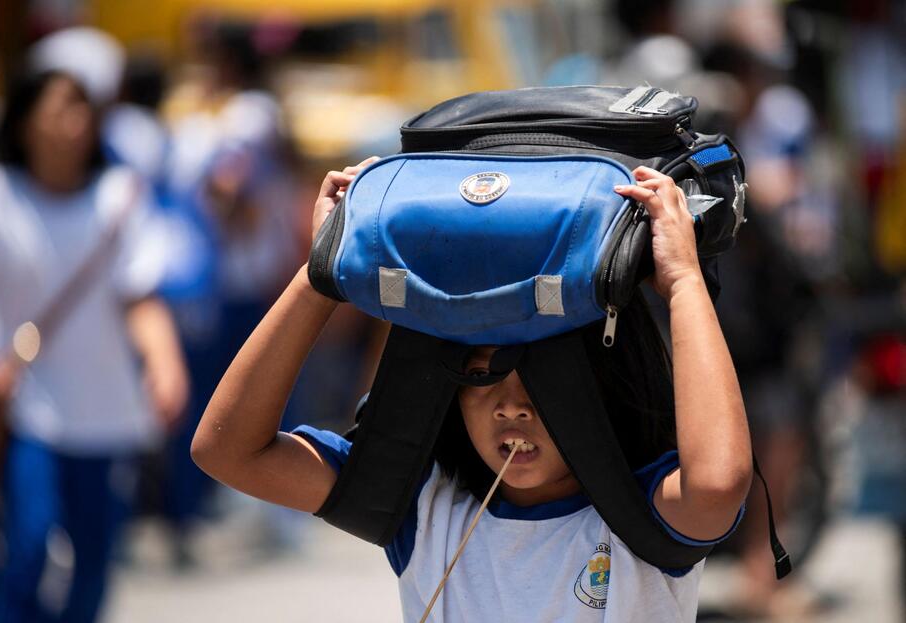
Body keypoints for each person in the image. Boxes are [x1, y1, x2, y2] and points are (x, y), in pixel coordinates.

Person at [191, 159, 753, 621]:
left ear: (600, 387)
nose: (512, 406)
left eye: (541, 382)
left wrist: (682, 282)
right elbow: (227, 451)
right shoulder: (424, 509)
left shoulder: (641, 522)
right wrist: (320, 275)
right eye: (481, 377)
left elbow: (719, 484)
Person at [0, 69, 188, 623]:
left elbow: (140, 296)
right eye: (61, 108)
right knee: (29, 542)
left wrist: (164, 362)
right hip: (26, 405)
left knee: (93, 558)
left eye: (83, 110)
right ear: (22, 122)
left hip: (106, 409)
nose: (76, 123)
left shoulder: (119, 197)